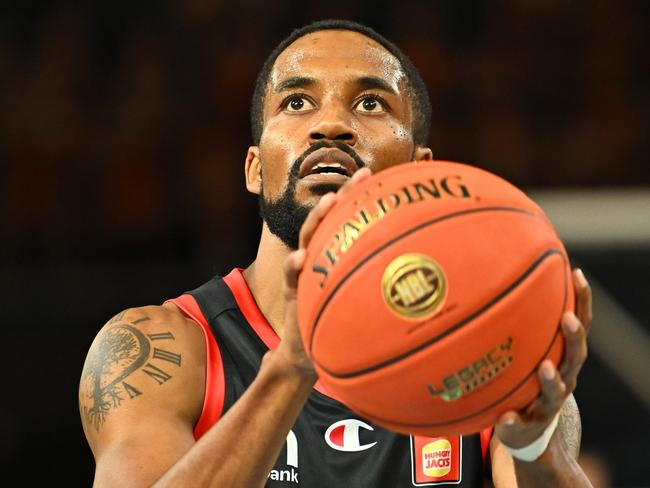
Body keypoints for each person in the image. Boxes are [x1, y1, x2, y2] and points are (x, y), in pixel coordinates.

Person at [78, 19, 593, 487]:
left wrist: (532, 443)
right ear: (255, 168)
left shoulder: (491, 354)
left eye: (370, 103)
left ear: (421, 171)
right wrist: (290, 369)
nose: (330, 125)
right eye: (297, 102)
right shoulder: (162, 349)